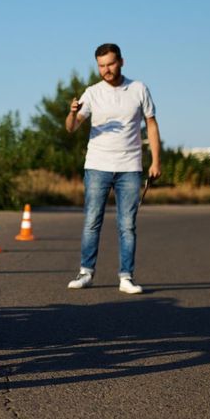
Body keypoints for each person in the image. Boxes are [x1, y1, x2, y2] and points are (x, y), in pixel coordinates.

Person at [64, 43, 161, 294]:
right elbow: (71, 127)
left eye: (110, 64)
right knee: (91, 221)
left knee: (127, 224)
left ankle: (126, 277)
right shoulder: (92, 93)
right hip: (97, 166)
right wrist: (72, 113)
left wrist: (156, 161)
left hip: (130, 167)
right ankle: (86, 273)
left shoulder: (138, 89)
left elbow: (151, 124)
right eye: (101, 66)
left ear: (121, 62)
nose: (106, 70)